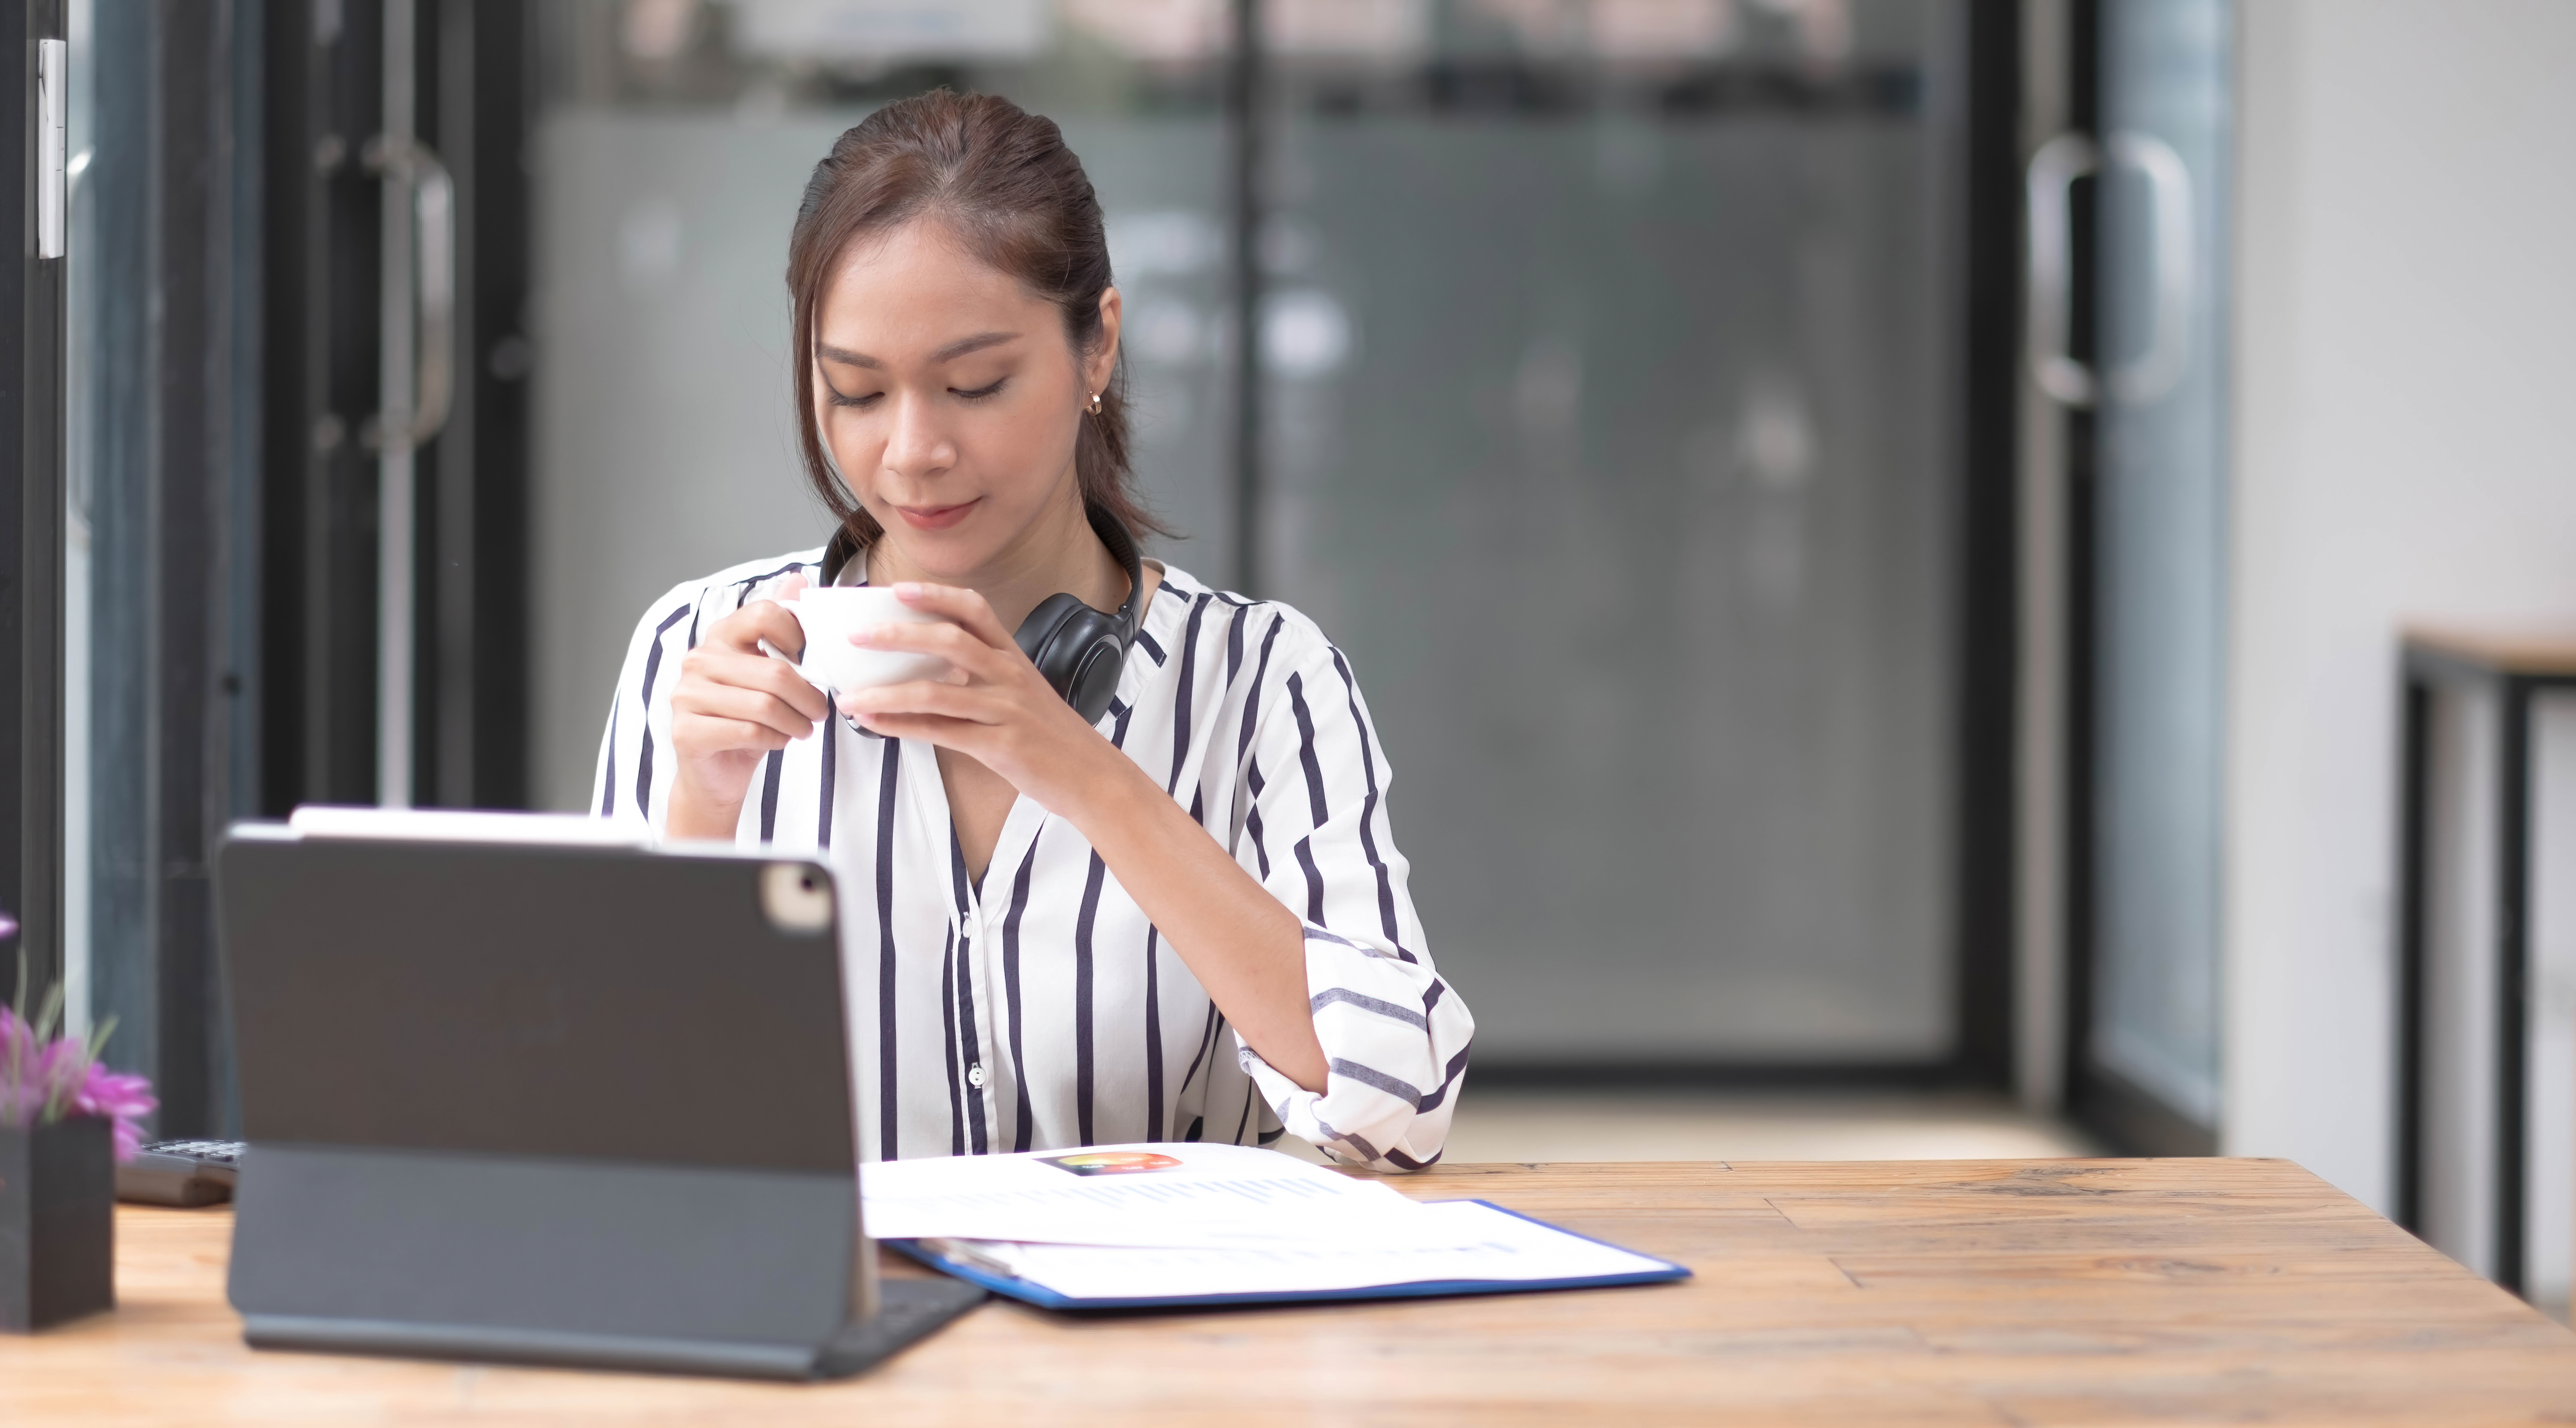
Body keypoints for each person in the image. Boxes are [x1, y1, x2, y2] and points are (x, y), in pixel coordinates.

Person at [592, 91, 1470, 1171]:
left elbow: (1403, 1104)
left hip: (1171, 1332)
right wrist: (702, 812)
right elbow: (616, 1128)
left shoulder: (1264, 682)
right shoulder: (697, 650)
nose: (912, 452)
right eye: (857, 393)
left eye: (975, 384)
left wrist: (1083, 773)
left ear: (1096, 346)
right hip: (850, 1321)